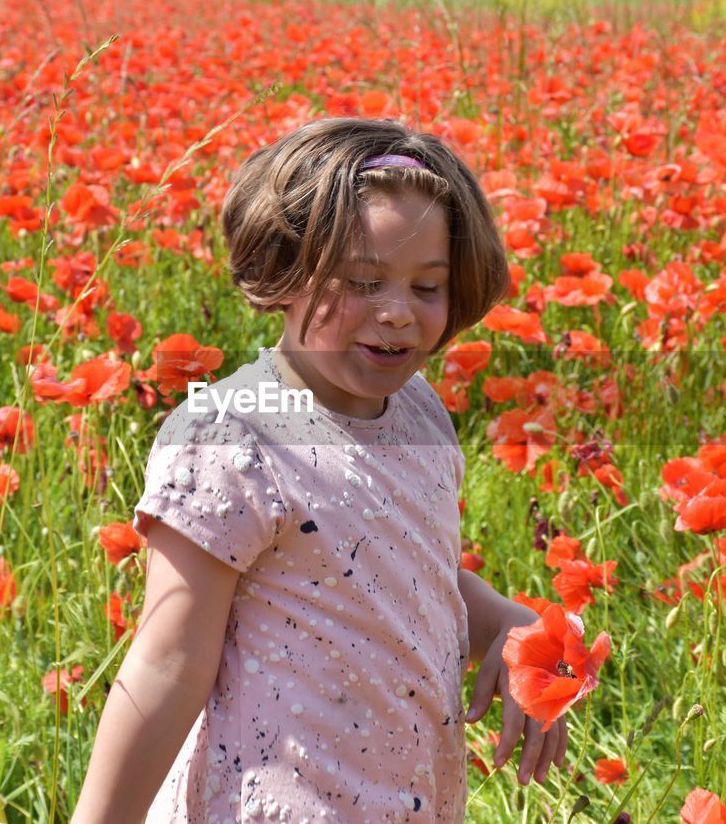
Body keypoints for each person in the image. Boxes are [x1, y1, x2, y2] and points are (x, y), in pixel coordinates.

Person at [73, 118, 568, 822]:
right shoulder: (236, 438)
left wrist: (517, 630)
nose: (397, 313)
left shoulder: (418, 412)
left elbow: (406, 575)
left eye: (427, 287)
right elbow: (166, 667)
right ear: (285, 272)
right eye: (364, 282)